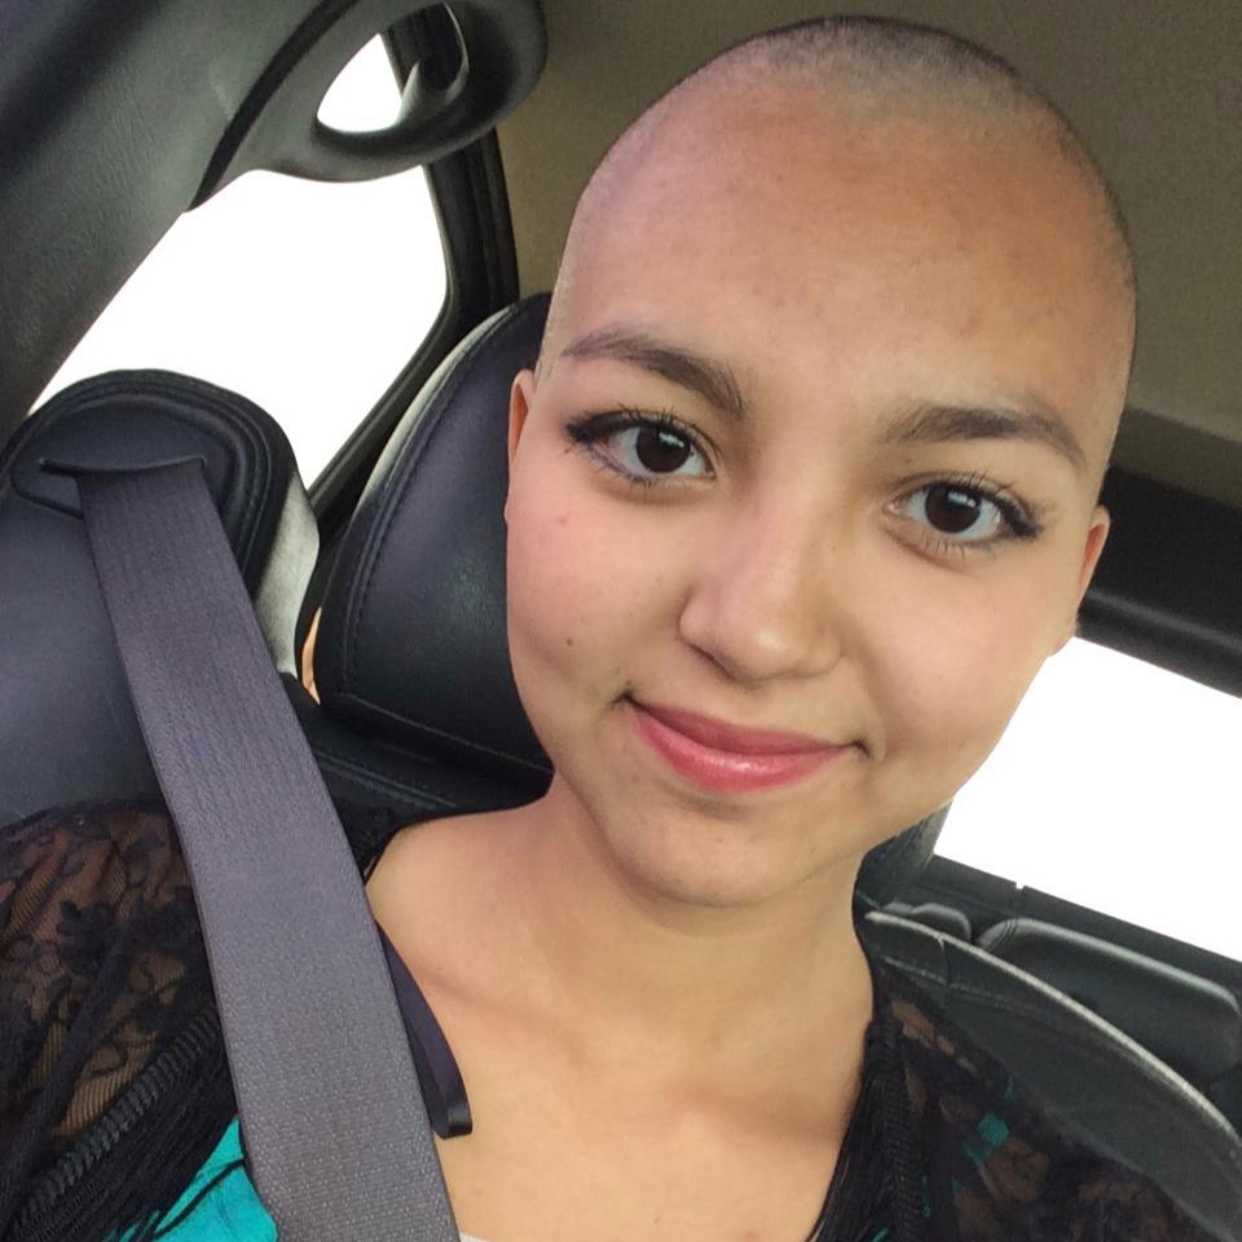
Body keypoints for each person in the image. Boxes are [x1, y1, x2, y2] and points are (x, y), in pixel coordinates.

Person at [0, 14, 1227, 1242]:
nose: (756, 629)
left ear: (1070, 585)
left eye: (954, 507)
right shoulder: (78, 942)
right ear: (521, 454)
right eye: (657, 444)